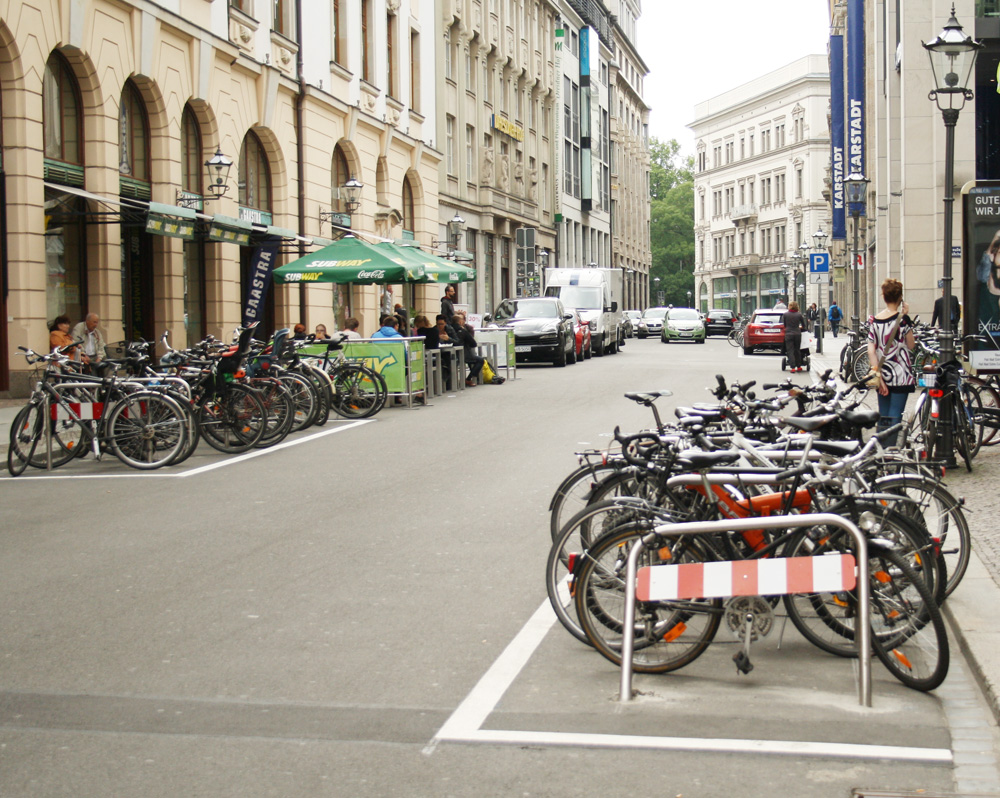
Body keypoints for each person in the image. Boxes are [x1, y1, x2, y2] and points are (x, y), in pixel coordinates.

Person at [866, 278, 916, 446]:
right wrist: (906, 316)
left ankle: (881, 452)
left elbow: (871, 350)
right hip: (901, 374)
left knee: (884, 416)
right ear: (900, 297)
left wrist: (877, 375)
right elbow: (911, 345)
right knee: (895, 415)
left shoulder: (875, 320)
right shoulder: (902, 320)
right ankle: (890, 453)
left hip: (883, 374)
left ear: (884, 296)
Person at [452, 310, 484, 386]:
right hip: (463, 354)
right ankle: (468, 379)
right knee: (480, 360)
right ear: (460, 322)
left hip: (451, 354)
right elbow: (473, 343)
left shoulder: (449, 329)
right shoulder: (463, 330)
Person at [782, 301, 807, 373]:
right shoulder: (799, 314)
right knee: (797, 350)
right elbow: (803, 325)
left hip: (789, 334)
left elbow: (785, 325)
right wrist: (801, 328)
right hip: (797, 334)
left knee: (790, 350)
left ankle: (792, 367)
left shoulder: (785, 314)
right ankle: (799, 366)